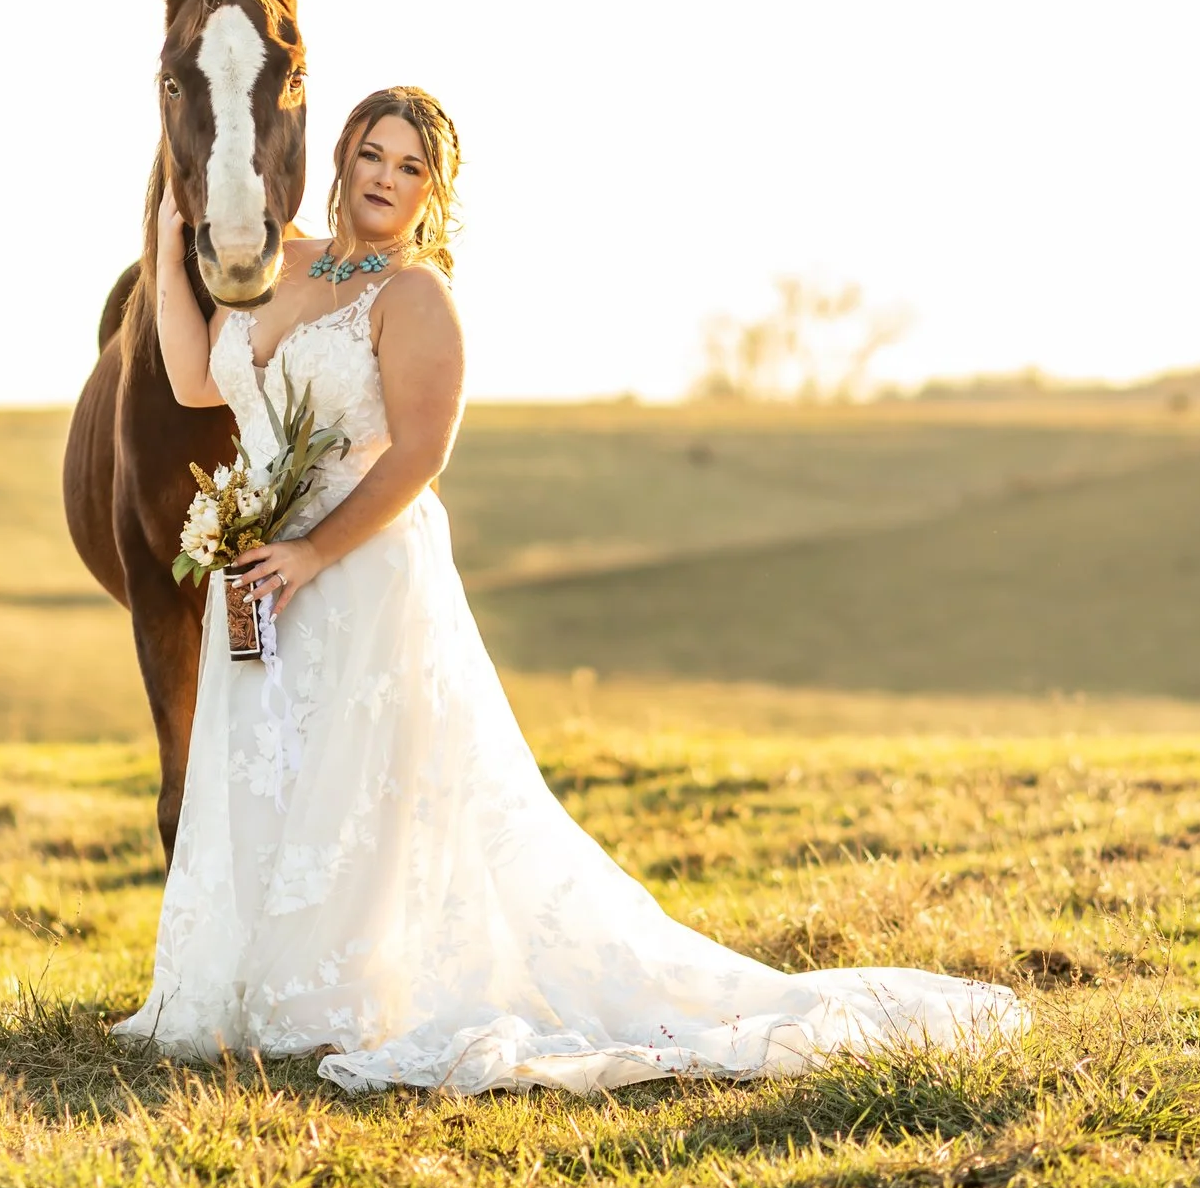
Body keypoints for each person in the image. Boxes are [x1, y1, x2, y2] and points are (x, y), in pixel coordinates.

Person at [113, 85, 1028, 1095]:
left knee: (353, 786)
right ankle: (244, 986)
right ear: (342, 153)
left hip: (357, 568)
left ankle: (332, 997)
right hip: (261, 569)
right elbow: (200, 380)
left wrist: (314, 552)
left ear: (434, 191)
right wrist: (164, 236)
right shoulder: (280, 260)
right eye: (373, 153)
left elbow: (421, 452)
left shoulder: (416, 297)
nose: (384, 176)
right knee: (267, 774)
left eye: (410, 166)